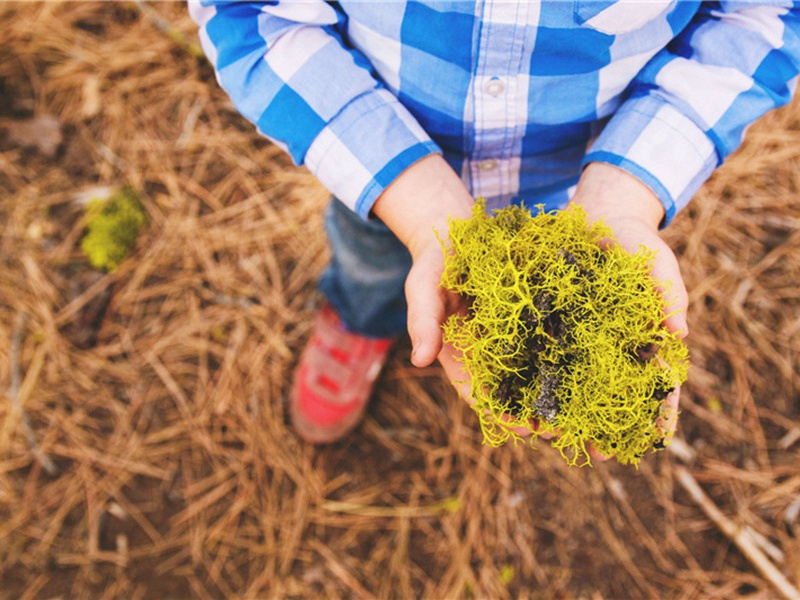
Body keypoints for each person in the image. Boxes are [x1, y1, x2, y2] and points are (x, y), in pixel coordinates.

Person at [189, 1, 800, 445]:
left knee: (530, 283)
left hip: (574, 181)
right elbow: (252, 15)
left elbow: (762, 17)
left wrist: (625, 195)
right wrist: (419, 199)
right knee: (370, 260)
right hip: (386, 168)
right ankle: (359, 319)